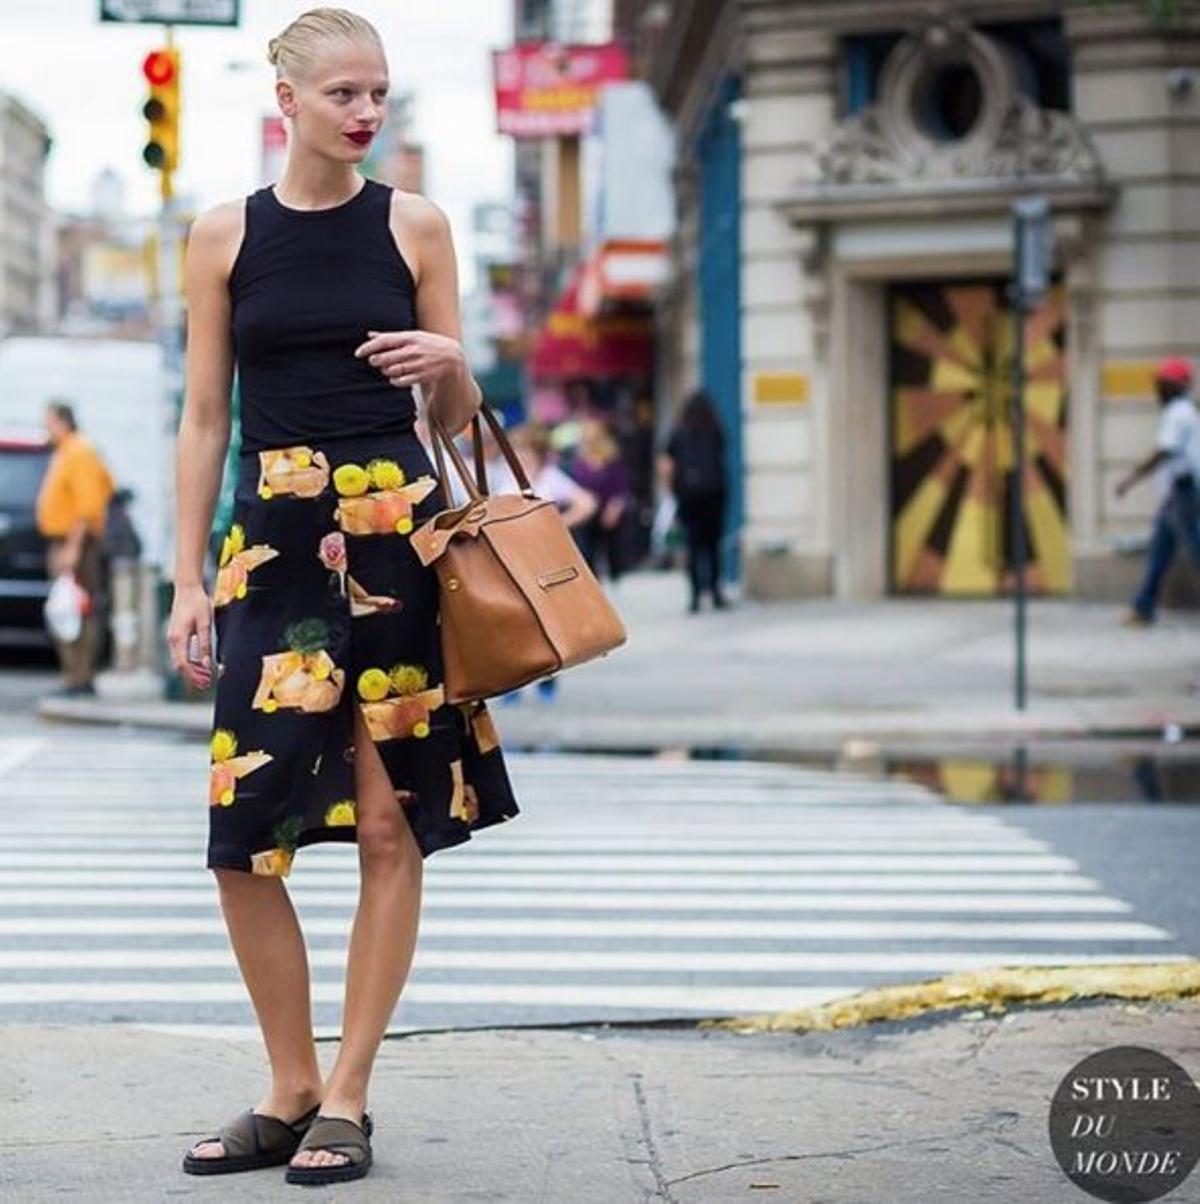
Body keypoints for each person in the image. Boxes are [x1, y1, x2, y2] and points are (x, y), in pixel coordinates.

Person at [167, 8, 520, 1186]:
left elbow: (460, 419)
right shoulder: (223, 236)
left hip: (398, 542)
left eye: (381, 94)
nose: (368, 113)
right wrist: (186, 581)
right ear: (291, 105)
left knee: (386, 823)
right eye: (347, 95)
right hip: (269, 549)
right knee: (242, 836)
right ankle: (289, 1081)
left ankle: (349, 1094)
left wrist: (452, 367)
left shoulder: (414, 225)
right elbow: (204, 416)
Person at [492, 423, 597, 703]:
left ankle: (548, 676)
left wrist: (558, 525)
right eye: (516, 451)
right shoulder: (507, 478)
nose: (519, 456)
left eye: (525, 451)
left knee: (546, 621)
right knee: (514, 621)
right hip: (512, 557)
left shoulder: (551, 478)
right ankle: (514, 681)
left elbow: (587, 502)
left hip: (542, 560)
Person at [34, 400, 115, 695]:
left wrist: (73, 548)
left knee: (76, 608)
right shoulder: (68, 451)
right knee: (67, 607)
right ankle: (75, 675)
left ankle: (79, 677)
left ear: (63, 421)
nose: (46, 429)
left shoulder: (79, 451)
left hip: (76, 542)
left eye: (49, 423)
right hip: (67, 540)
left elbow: (88, 507)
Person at [1116, 357, 1200, 625]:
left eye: (1162, 384)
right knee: (1160, 550)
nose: (1157, 390)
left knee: (1195, 548)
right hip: (1177, 493)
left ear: (1175, 386)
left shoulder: (1179, 412)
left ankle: (1144, 606)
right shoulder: (1182, 411)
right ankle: (1143, 607)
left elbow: (1164, 452)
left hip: (1186, 491)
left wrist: (1131, 479)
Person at [659, 388, 729, 612]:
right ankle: (716, 592)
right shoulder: (716, 430)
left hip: (689, 495)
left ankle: (695, 596)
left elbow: (667, 466)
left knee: (693, 545)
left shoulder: (679, 433)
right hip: (714, 493)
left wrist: (670, 491)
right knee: (713, 545)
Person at [568, 418, 631, 582]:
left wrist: (615, 508)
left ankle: (615, 577)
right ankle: (594, 581)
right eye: (584, 438)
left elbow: (621, 487)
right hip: (587, 514)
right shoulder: (578, 463)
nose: (587, 442)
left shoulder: (612, 460)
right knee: (588, 550)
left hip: (609, 510)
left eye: (590, 438)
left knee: (612, 549)